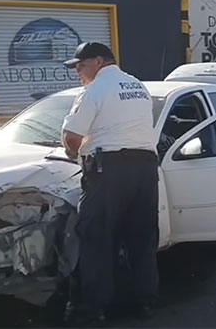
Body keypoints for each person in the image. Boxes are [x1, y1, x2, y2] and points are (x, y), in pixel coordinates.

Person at [60, 41, 159, 326]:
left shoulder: (95, 90)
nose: (77, 71)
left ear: (99, 62)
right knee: (141, 239)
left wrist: (72, 153)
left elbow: (72, 138)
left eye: (80, 65)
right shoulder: (137, 87)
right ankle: (145, 302)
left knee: (96, 241)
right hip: (144, 170)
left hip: (109, 172)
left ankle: (92, 310)